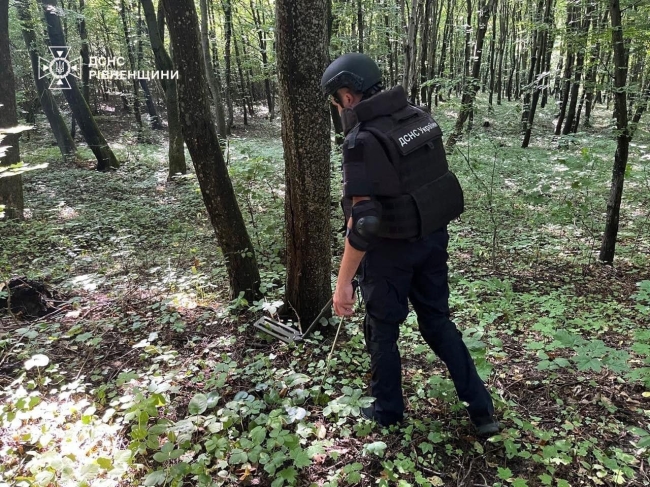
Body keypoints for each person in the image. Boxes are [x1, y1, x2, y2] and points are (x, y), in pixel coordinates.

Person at [321, 53, 499, 437]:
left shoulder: (360, 141)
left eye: (336, 100)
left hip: (390, 254)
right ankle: (482, 410)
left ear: (348, 96)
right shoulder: (418, 117)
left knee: (382, 330)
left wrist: (343, 282)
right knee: (437, 322)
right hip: (432, 240)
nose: (337, 108)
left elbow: (365, 223)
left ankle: (387, 413)